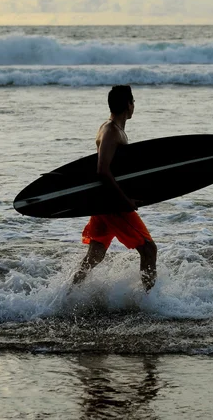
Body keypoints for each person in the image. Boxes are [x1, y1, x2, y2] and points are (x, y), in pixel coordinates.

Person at [71, 85, 157, 292]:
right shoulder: (110, 131)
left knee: (95, 255)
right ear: (128, 104)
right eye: (133, 101)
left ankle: (66, 296)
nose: (134, 105)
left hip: (103, 202)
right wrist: (126, 201)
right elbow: (102, 170)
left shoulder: (112, 129)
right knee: (148, 249)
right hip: (112, 203)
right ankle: (150, 301)